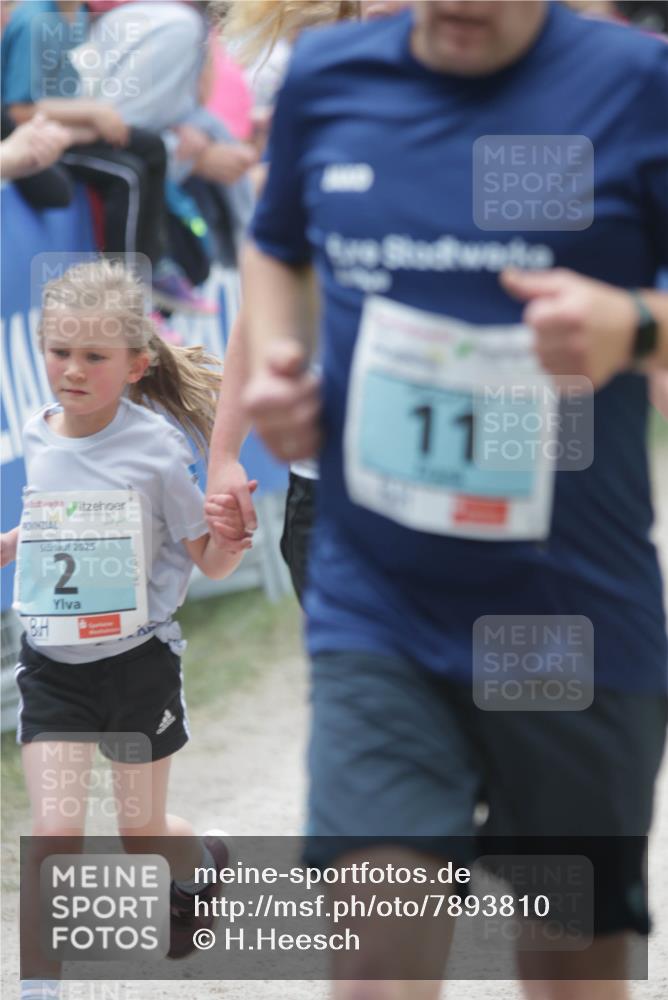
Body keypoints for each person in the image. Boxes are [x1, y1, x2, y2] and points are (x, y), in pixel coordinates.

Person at [239, 2, 668, 997]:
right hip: (381, 604)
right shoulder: (330, 76)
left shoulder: (634, 86)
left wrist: (635, 326)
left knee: (568, 970)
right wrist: (279, 362)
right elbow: (273, 241)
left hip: (564, 617)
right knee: (374, 965)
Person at [0, 259, 251, 1000]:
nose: (72, 370)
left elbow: (208, 561)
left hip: (137, 665)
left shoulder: (156, 449)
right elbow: (58, 522)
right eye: (59, 351)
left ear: (137, 365)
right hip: (52, 666)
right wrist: (12, 543)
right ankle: (40, 990)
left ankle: (201, 866)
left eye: (94, 356)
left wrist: (232, 539)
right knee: (55, 833)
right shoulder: (37, 431)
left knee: (140, 835)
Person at [205, 0, 411, 599]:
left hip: (462, 486)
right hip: (326, 489)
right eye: (375, 11)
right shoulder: (319, 111)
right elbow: (267, 299)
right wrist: (224, 457)